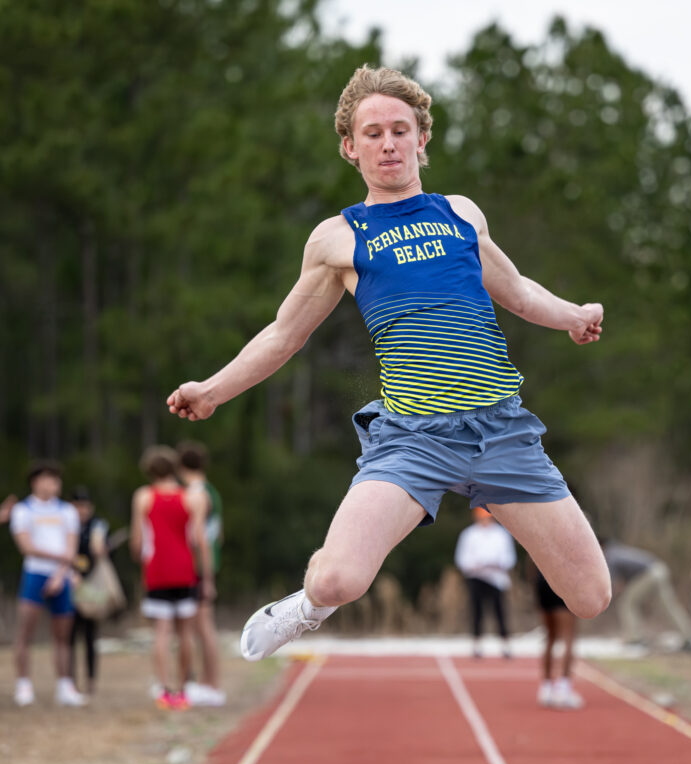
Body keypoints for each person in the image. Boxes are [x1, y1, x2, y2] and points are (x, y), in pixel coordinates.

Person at [167, 65, 611, 658]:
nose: (388, 143)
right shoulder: (338, 239)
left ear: (422, 139)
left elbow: (519, 290)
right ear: (350, 147)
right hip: (413, 438)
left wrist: (574, 315)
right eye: (372, 133)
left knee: (591, 596)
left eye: (400, 130)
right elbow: (283, 335)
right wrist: (213, 389)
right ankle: (303, 609)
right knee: (335, 581)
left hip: (501, 430)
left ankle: (495, 500)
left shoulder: (461, 213)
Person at [130, 446, 213, 710]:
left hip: (157, 571)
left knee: (161, 633)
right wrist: (208, 578)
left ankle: (164, 690)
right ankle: (184, 690)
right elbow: (200, 541)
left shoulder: (143, 496)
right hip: (184, 570)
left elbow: (137, 541)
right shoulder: (192, 498)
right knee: (185, 633)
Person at [9, 461, 87, 707]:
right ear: (36, 482)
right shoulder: (23, 510)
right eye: (49, 479)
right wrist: (61, 558)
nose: (54, 484)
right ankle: (23, 683)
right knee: (25, 631)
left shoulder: (67, 511)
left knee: (63, 635)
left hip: (60, 577)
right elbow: (27, 547)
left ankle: (65, 684)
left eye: (56, 479)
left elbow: (71, 547)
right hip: (35, 574)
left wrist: (60, 572)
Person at [176, 441, 226, 707]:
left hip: (197, 565)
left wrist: (206, 577)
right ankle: (207, 682)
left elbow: (200, 538)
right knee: (200, 626)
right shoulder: (211, 491)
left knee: (203, 627)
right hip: (206, 561)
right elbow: (219, 533)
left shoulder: (195, 493)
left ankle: (212, 684)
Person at [603, 540, 691, 649]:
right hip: (659, 569)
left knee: (626, 602)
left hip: (649, 574)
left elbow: (617, 585)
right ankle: (690, 637)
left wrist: (605, 599)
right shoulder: (618, 550)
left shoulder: (611, 556)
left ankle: (634, 637)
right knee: (669, 607)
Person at [454, 507, 516, 657]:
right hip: (476, 578)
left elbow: (509, 558)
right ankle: (477, 645)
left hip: (496, 579)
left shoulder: (501, 534)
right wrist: (476, 565)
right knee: (476, 612)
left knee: (500, 612)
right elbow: (462, 559)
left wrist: (496, 564)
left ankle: (505, 645)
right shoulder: (469, 534)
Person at [68, 486, 109, 695]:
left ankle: (91, 680)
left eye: (85, 506)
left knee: (91, 635)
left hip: (91, 586)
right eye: (78, 506)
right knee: (70, 635)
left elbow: (102, 551)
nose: (82, 510)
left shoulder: (98, 526)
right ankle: (70, 680)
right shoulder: (66, 525)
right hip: (70, 583)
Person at [532, 563, 582, 709]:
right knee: (568, 637)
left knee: (550, 637)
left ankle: (546, 688)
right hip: (563, 580)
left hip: (542, 579)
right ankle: (563, 689)